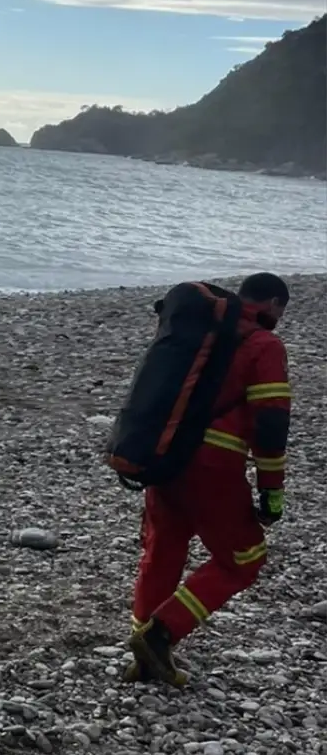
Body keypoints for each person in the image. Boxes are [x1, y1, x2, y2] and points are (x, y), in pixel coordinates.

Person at [129, 273, 292, 686]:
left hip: (165, 456)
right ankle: (161, 634)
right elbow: (270, 427)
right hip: (213, 467)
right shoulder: (264, 345)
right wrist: (271, 493)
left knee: (163, 548)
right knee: (245, 560)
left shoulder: (202, 333)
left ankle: (143, 651)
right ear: (273, 304)